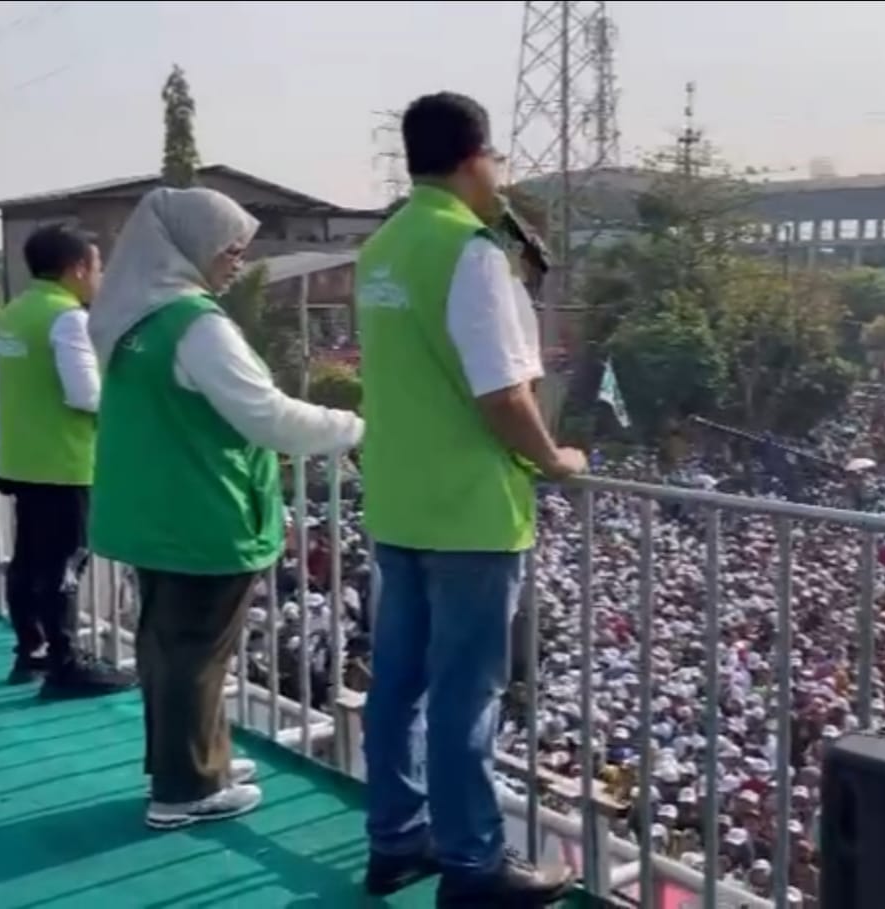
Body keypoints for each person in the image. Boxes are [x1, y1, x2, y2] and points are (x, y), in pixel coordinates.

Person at [357, 91, 582, 905]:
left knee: (400, 681)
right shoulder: (471, 252)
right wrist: (554, 459)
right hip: (472, 511)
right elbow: (502, 393)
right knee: (466, 692)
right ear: (474, 158)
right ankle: (474, 863)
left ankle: (395, 840)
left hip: (398, 498)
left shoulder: (381, 246)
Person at [87, 187, 362, 830]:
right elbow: (269, 418)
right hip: (201, 510)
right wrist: (352, 427)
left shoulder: (132, 319)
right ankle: (185, 788)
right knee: (195, 653)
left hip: (153, 508)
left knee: (167, 645)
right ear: (189, 248)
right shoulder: (196, 325)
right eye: (230, 248)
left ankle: (196, 761)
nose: (239, 260)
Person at [0, 224, 134, 696]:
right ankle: (66, 664)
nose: (100, 276)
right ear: (76, 269)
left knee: (28, 560)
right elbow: (85, 394)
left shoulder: (13, 313)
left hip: (22, 459)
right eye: (97, 266)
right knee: (65, 564)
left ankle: (30, 652)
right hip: (65, 462)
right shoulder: (67, 318)